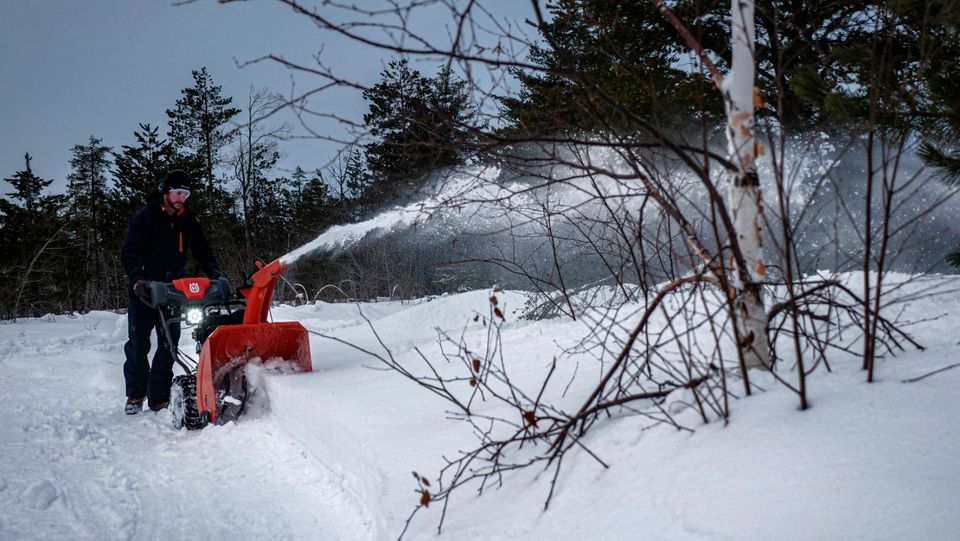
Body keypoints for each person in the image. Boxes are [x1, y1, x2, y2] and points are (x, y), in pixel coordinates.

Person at [120, 170, 221, 415]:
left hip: (173, 291)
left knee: (169, 345)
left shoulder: (188, 221)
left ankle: (159, 398)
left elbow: (202, 250)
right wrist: (137, 280)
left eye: (186, 194)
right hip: (144, 290)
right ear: (166, 191)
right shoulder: (145, 218)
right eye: (177, 192)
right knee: (139, 345)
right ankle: (135, 395)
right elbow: (129, 253)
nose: (181, 198)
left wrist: (215, 275)